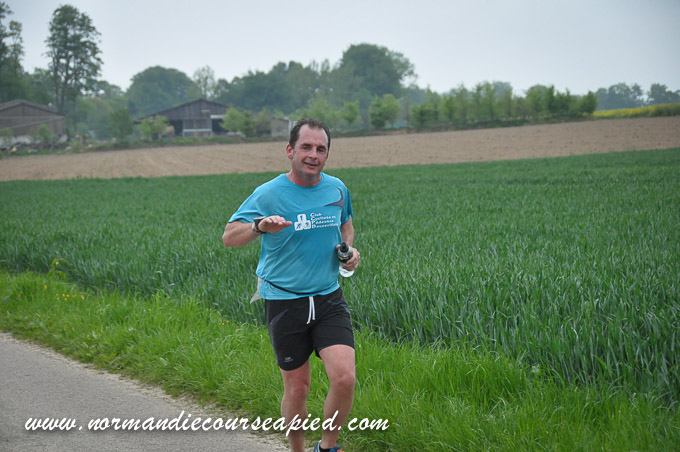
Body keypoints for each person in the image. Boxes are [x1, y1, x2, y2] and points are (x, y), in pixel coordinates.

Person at [222, 118, 360, 452]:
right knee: (298, 389)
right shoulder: (268, 193)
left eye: (321, 149)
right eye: (306, 147)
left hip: (328, 298)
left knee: (345, 378)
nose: (313, 154)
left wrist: (349, 252)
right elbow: (229, 237)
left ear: (327, 155)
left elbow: (346, 226)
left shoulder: (337, 189)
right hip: (285, 302)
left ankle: (327, 447)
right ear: (290, 150)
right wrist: (258, 227)